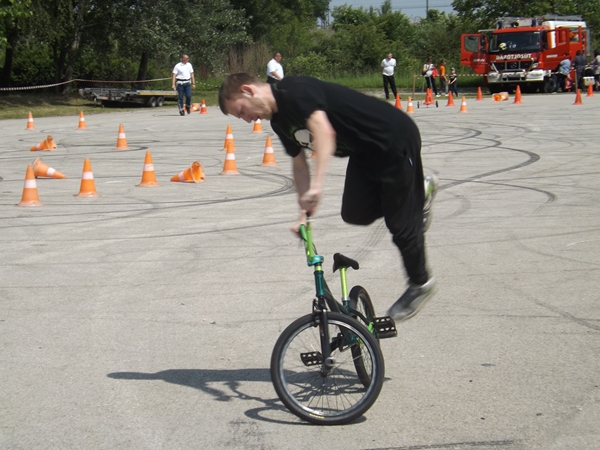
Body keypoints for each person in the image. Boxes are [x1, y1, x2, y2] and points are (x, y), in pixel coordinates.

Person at [218, 73, 438, 322]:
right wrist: (303, 215)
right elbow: (299, 165)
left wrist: (318, 186)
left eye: (242, 111)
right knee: (354, 213)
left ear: (248, 91)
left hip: (393, 137)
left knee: (401, 225)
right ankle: (416, 193)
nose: (247, 119)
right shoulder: (279, 122)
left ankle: (421, 283)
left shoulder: (294, 91)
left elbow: (325, 132)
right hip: (364, 151)